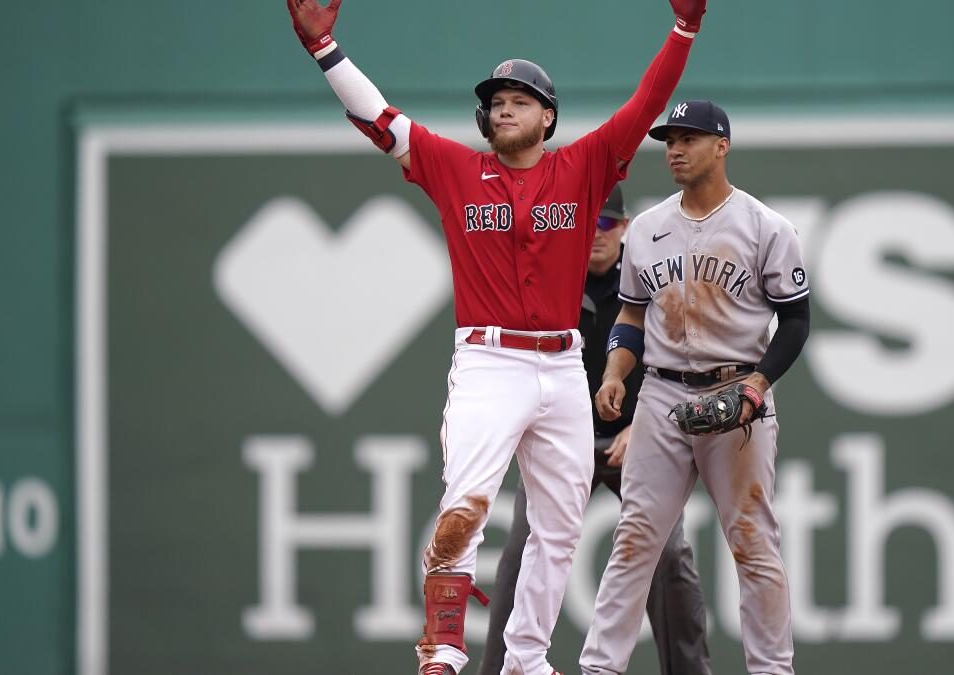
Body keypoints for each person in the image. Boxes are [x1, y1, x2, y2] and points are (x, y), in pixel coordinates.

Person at [283, 2, 709, 674]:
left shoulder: (585, 166)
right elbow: (381, 121)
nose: (503, 109)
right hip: (489, 360)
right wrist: (325, 48)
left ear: (549, 117)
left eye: (519, 100)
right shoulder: (455, 167)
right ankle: (442, 649)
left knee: (561, 520)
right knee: (467, 501)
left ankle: (527, 659)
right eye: (496, 102)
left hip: (563, 365)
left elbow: (646, 101)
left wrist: (684, 28)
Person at [579, 100, 810, 675]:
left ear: (722, 146)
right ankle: (600, 668)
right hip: (660, 391)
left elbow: (796, 321)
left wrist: (759, 383)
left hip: (737, 392)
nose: (675, 149)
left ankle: (771, 669)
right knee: (635, 538)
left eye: (689, 138)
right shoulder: (651, 227)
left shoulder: (765, 228)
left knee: (752, 541)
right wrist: (614, 373)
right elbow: (631, 315)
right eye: (670, 140)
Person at [477, 185, 712, 675]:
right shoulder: (545, 283)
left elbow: (684, 367)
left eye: (609, 224)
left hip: (638, 442)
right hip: (563, 443)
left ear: (625, 228)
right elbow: (518, 369)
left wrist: (646, 427)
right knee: (520, 552)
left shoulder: (654, 281)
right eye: (590, 225)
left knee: (668, 556)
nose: (599, 235)